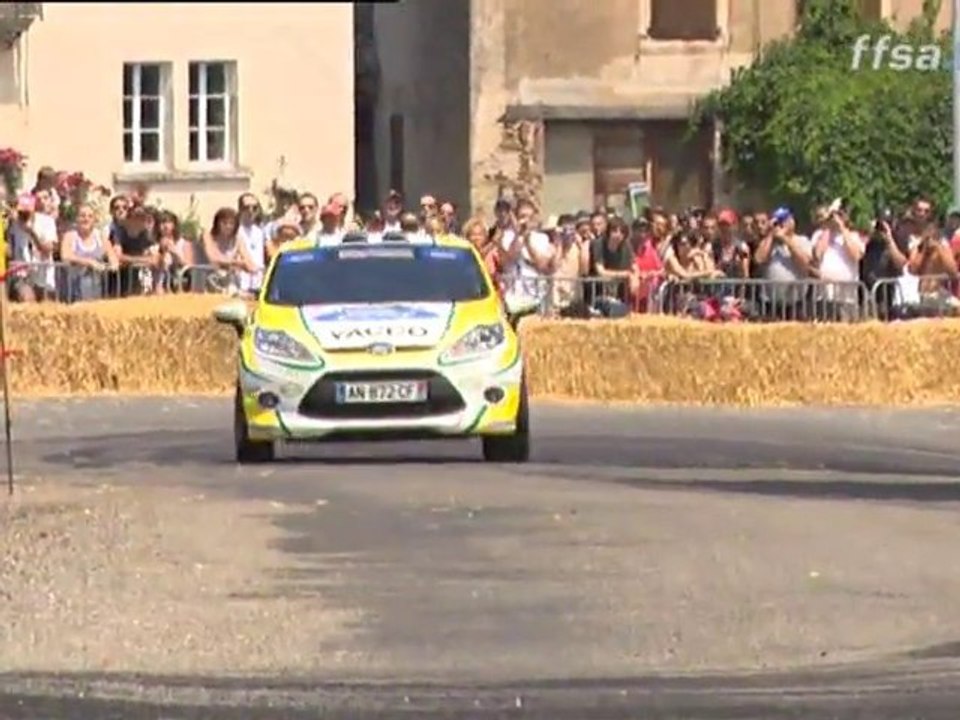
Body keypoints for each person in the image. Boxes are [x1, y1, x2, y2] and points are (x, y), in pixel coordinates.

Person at [60, 203, 119, 302]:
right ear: (77, 219)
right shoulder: (70, 236)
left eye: (90, 216)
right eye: (82, 216)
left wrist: (113, 264)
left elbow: (112, 256)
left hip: (96, 291)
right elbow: (65, 255)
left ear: (94, 220)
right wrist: (89, 262)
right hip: (73, 292)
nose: (86, 219)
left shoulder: (100, 237)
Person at [8, 192, 58, 302]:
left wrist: (31, 232)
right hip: (22, 274)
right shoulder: (14, 225)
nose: (24, 215)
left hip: (44, 275)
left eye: (27, 211)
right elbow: (10, 251)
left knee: (47, 309)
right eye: (21, 212)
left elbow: (48, 250)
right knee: (27, 299)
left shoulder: (47, 222)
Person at [202, 207, 258, 296]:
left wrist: (247, 265)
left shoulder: (237, 239)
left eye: (231, 223)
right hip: (211, 279)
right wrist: (236, 263)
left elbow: (250, 263)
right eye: (224, 223)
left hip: (231, 281)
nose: (228, 226)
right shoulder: (208, 236)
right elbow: (212, 258)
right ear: (217, 223)